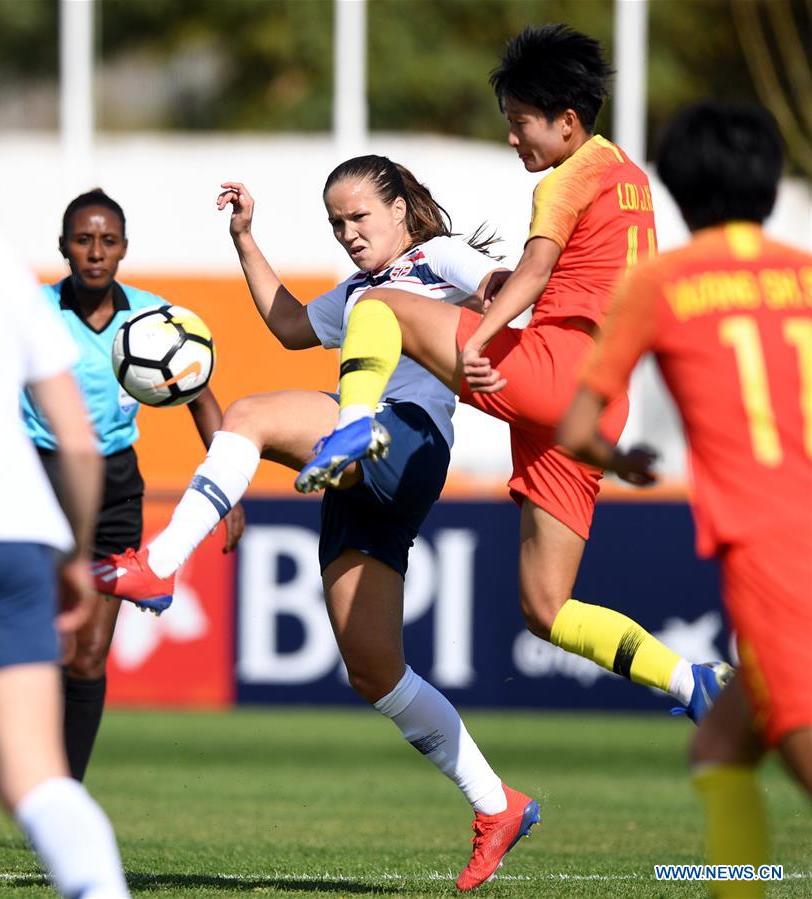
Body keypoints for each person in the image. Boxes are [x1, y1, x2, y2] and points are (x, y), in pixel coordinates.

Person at [91, 154, 541, 890]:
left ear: (400, 209)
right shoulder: (360, 289)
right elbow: (291, 325)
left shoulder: (436, 259)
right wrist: (245, 238)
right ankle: (498, 805)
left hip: (404, 438)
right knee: (374, 671)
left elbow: (506, 290)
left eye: (360, 216)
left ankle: (163, 561)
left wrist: (498, 327)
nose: (348, 233)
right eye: (336, 223)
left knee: (248, 415)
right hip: (357, 475)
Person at [298, 24, 728, 735]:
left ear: (566, 121)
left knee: (378, 304)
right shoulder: (631, 178)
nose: (511, 138)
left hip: (553, 369)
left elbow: (531, 271)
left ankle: (352, 426)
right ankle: (689, 678)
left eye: (519, 123)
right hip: (594, 406)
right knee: (547, 607)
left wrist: (487, 336)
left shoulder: (571, 175)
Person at [558, 100, 811, 899]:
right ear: (769, 185)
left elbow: (576, 423)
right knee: (719, 751)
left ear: (674, 187)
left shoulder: (661, 282)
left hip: (771, 539)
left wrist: (618, 458)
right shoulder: (805, 273)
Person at [0, 78, 130, 899]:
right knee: (35, 774)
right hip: (13, 534)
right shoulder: (1, 270)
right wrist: (69, 551)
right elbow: (80, 444)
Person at [20, 188, 242, 782]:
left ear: (123, 248)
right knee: (35, 644)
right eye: (83, 240)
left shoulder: (152, 319)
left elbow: (202, 400)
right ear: (63, 247)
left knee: (89, 655)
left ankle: (63, 794)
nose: (95, 252)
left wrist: (229, 490)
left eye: (107, 240)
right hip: (39, 479)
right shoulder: (30, 310)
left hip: (116, 485)